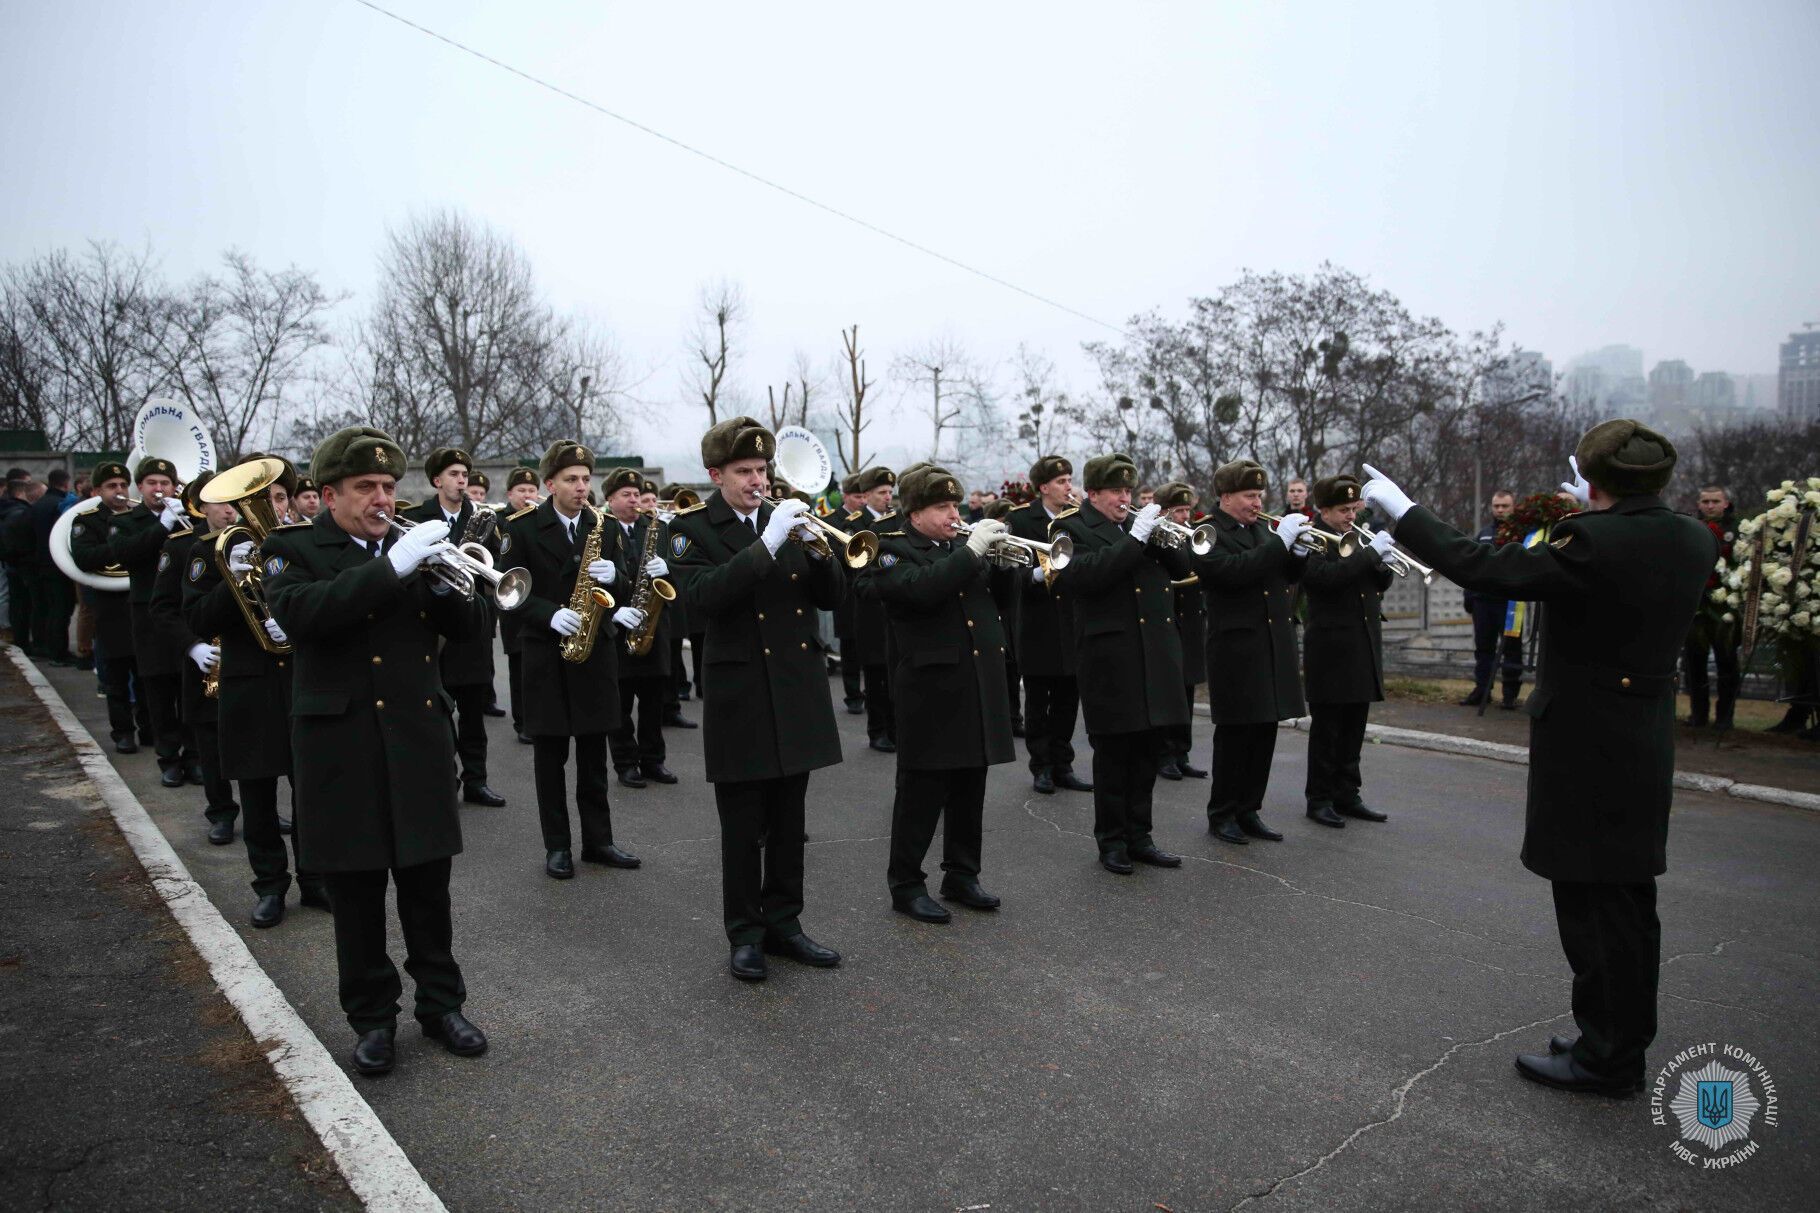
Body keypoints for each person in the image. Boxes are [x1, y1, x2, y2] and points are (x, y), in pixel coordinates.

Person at [1363, 419, 1716, 1097]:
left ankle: (1606, 1058)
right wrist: (1595, 513)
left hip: (1588, 742)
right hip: (1643, 738)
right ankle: (1614, 1036)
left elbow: (1483, 566)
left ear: (1593, 480)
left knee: (1590, 904)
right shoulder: (1691, 535)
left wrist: (1407, 512)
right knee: (1629, 903)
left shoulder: (1591, 540)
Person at [264, 425, 491, 1077]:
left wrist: (455, 588)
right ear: (328, 493)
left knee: (428, 888)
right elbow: (307, 615)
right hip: (343, 745)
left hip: (417, 739)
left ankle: (442, 1004)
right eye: (366, 486)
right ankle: (372, 1020)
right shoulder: (292, 549)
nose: (381, 498)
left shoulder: (414, 543)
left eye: (389, 486)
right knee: (358, 897)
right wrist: (391, 566)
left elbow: (469, 632)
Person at [668, 416, 844, 982]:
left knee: (790, 822)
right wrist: (765, 546)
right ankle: (745, 933)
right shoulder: (692, 528)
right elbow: (700, 600)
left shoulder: (787, 519)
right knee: (743, 826)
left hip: (795, 687)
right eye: (744, 471)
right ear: (716, 474)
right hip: (740, 691)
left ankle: (785, 923)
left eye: (763, 469)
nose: (757, 481)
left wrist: (820, 553)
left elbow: (833, 597)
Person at [866, 467, 1015, 920]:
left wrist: (1003, 567)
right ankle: (907, 884)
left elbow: (996, 605)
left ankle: (962, 874)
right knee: (922, 791)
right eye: (943, 507)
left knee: (971, 785)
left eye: (956, 505)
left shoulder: (958, 548)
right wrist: (972, 551)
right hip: (930, 688)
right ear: (915, 511)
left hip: (976, 681)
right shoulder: (892, 549)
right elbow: (922, 591)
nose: (955, 514)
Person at [184, 466, 329, 925]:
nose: (276, 507)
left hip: (302, 680)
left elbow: (328, 603)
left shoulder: (306, 544)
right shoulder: (209, 553)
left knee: (310, 788)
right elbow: (196, 619)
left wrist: (295, 619)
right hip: (247, 683)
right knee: (258, 794)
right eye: (268, 499)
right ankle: (269, 885)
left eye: (280, 497)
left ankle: (315, 879)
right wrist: (235, 577)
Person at [504, 442, 643, 879]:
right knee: (550, 757)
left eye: (586, 479)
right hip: (546, 654)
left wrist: (615, 578)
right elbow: (507, 593)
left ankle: (599, 841)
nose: (582, 487)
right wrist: (548, 613)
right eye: (571, 480)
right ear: (550, 484)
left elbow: (622, 585)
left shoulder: (605, 526)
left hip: (594, 651)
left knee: (593, 756)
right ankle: (558, 846)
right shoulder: (522, 529)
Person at [1050, 455, 1188, 873]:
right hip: (1109, 657)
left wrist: (1165, 538)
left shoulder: (1137, 525)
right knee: (1113, 753)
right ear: (1093, 493)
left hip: (1153, 653)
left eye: (1128, 491)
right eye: (1115, 492)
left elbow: (1184, 570)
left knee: (1147, 751)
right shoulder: (1069, 527)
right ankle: (1111, 841)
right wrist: (1136, 538)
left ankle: (1140, 836)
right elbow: (1085, 576)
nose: (1124, 499)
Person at [1194, 460, 1312, 846]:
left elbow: (1283, 577)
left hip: (1268, 644)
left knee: (1263, 730)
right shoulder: (1208, 531)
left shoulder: (1261, 529)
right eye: (1249, 495)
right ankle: (1222, 812)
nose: (1256, 502)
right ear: (1226, 496)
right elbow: (1230, 572)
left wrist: (1296, 553)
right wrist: (1280, 544)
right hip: (1236, 647)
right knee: (1236, 734)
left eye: (1259, 494)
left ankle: (1249, 809)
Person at [402, 448, 506, 808]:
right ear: (437, 480)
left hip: (472, 627)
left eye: (464, 473)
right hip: (434, 630)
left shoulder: (484, 518)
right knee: (438, 712)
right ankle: (446, 779)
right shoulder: (417, 518)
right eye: (454, 474)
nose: (462, 480)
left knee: (473, 714)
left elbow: (497, 565)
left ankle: (477, 781)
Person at [1299, 475, 1395, 829]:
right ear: (1324, 510)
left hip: (1361, 643)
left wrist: (1382, 559)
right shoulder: (1312, 539)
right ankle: (1319, 798)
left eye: (1354, 509)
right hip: (1330, 647)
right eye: (1343, 510)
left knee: (1355, 725)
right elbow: (1324, 579)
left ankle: (1347, 793)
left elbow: (1377, 583)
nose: (1351, 516)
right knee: (1328, 729)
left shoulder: (1357, 537)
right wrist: (1368, 554)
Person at [149, 473, 239, 839]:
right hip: (206, 659)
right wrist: (192, 645)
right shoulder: (183, 546)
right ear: (200, 506)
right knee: (211, 740)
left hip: (251, 658)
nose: (229, 509)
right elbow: (162, 609)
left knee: (256, 739)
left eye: (234, 500)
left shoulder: (254, 539)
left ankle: (262, 811)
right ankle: (221, 811)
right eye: (220, 501)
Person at [107, 456, 196, 787]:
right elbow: (125, 553)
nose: (159, 489)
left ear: (174, 487)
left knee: (189, 687)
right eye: (152, 483)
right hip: (147, 613)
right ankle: (168, 758)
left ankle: (195, 756)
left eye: (165, 483)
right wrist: (162, 527)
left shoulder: (187, 518)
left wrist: (183, 521)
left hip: (184, 611)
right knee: (158, 690)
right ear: (140, 487)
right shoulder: (127, 520)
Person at [1007, 456, 1092, 796]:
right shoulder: (1020, 519)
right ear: (1043, 487)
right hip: (1038, 622)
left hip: (1072, 620)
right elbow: (1011, 571)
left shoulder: (1078, 519)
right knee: (1039, 699)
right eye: (1061, 482)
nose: (1068, 487)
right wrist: (1042, 573)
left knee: (1068, 699)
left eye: (1069, 480)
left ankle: (1063, 763)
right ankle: (1040, 766)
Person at [602, 466, 679, 787]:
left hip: (653, 626)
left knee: (653, 702)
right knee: (619, 705)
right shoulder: (602, 529)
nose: (635, 500)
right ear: (610, 499)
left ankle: (653, 760)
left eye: (637, 494)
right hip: (618, 629)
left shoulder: (656, 528)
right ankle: (624, 763)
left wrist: (669, 568)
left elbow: (684, 571)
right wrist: (614, 612)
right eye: (627, 495)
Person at [71, 463, 147, 750]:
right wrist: (124, 547)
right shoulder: (88, 521)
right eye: (111, 486)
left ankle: (149, 729)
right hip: (109, 605)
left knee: (145, 675)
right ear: (96, 491)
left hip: (140, 601)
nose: (119, 491)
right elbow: (84, 557)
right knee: (115, 676)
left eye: (122, 485)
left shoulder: (140, 516)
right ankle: (123, 733)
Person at [1154, 482, 1208, 781]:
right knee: (1168, 693)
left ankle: (1181, 752)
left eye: (1187, 510)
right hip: (1169, 618)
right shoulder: (1159, 536)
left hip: (1191, 620)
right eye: (1178, 511)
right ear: (1164, 512)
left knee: (1186, 690)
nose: (1185, 516)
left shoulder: (1192, 534)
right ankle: (1164, 754)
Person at [847, 466, 898, 752]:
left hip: (892, 612)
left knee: (893, 677)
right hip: (869, 612)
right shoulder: (858, 525)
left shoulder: (896, 521)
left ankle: (894, 729)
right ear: (865, 495)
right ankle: (877, 730)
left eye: (890, 492)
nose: (887, 497)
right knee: (877, 676)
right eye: (881, 493)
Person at [1461, 490, 1525, 709]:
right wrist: (1469, 596)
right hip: (1483, 602)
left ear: (1513, 507)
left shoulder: (1521, 534)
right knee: (1483, 649)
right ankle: (1482, 691)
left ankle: (1509, 696)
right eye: (1496, 506)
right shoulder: (1484, 534)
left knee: (1512, 650)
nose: (1500, 510)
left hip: (1510, 604)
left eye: (1504, 506)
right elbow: (1472, 565)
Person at [1683, 485, 1740, 729]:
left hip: (1726, 605)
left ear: (1726, 503)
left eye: (1715, 501)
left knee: (1726, 661)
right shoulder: (1691, 528)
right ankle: (1699, 715)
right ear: (1698, 504)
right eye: (1705, 501)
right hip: (1698, 603)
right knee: (1695, 662)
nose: (1710, 505)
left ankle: (1725, 718)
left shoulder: (1738, 531)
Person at [497, 466, 540, 742]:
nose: (527, 495)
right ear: (510, 493)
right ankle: (522, 722)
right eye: (521, 490)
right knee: (519, 664)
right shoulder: (499, 520)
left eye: (532, 490)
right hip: (512, 600)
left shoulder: (539, 518)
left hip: (537, 597)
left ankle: (540, 717)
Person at [832, 474, 867, 715]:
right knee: (850, 643)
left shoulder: (869, 520)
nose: (862, 501)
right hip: (847, 592)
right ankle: (853, 694)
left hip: (868, 591)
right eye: (857, 496)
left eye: (865, 496)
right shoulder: (832, 519)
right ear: (846, 496)